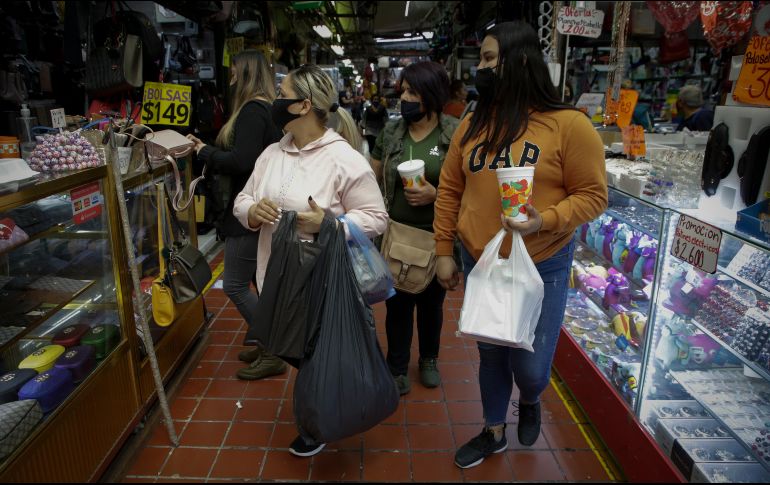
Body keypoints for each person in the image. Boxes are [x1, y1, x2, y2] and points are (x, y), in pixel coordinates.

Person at [432, 21, 608, 469]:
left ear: (521, 61)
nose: (482, 68)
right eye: (482, 60)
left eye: (491, 59)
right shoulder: (473, 122)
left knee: (529, 366)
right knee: (490, 352)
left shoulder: (569, 125)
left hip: (542, 261)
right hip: (481, 261)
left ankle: (530, 398)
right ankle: (493, 430)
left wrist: (544, 220)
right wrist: (443, 251)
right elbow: (450, 189)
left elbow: (593, 196)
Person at [233, 64, 388, 458]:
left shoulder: (343, 159)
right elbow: (242, 200)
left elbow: (377, 218)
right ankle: (324, 407)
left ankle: (318, 422)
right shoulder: (272, 153)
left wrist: (331, 222)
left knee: (315, 351)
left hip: (322, 277)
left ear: (302, 105)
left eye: (282, 91)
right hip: (275, 273)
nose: (275, 100)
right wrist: (253, 211)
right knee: (297, 349)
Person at [186, 50, 284, 381]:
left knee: (236, 284)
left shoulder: (253, 111)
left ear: (245, 75)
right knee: (257, 280)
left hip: (248, 209)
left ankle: (273, 347)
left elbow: (243, 161)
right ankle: (266, 341)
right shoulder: (263, 109)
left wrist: (204, 152)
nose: (229, 77)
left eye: (234, 72)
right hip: (256, 206)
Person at [370, 62, 460, 396]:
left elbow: (468, 185)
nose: (404, 98)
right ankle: (396, 366)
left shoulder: (454, 132)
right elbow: (372, 177)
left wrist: (436, 194)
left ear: (431, 94)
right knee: (398, 305)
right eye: (403, 90)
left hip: (438, 236)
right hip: (398, 235)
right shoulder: (392, 132)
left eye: (412, 92)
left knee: (431, 304)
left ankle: (429, 359)